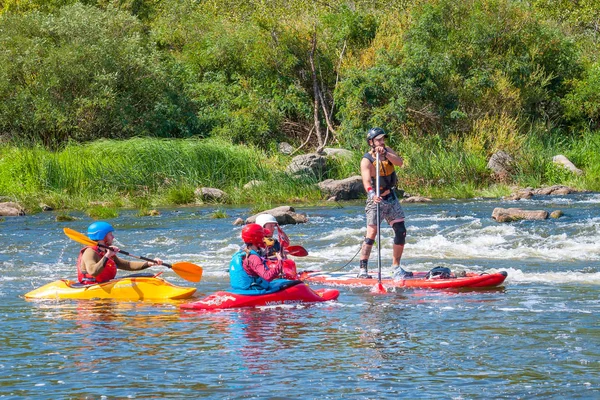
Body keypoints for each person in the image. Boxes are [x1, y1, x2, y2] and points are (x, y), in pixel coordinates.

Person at [358, 127, 409, 278]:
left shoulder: (387, 151)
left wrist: (386, 153)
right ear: (371, 142)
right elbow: (366, 181)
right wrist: (372, 194)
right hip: (376, 199)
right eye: (378, 140)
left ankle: (396, 267)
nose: (381, 142)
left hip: (391, 197)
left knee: (401, 231)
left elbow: (399, 163)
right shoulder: (366, 160)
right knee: (371, 233)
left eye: (382, 139)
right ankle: (363, 269)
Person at [76, 221, 163, 284]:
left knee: (147, 275)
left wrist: (149, 263)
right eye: (110, 234)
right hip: (90, 287)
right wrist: (107, 255)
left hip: (104, 284)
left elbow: (126, 265)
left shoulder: (106, 250)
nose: (113, 237)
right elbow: (93, 271)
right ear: (102, 236)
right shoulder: (90, 252)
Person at [229, 223, 286, 292]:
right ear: (257, 239)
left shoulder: (242, 253)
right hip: (253, 289)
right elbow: (267, 277)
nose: (264, 239)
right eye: (263, 237)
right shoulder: (253, 257)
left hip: (242, 289)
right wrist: (280, 261)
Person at [255, 214, 298, 279]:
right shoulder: (254, 244)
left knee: (290, 262)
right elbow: (256, 260)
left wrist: (283, 254)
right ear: (262, 226)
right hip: (264, 272)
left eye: (274, 226)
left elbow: (282, 257)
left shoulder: (275, 242)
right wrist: (276, 256)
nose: (274, 229)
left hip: (275, 269)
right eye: (271, 226)